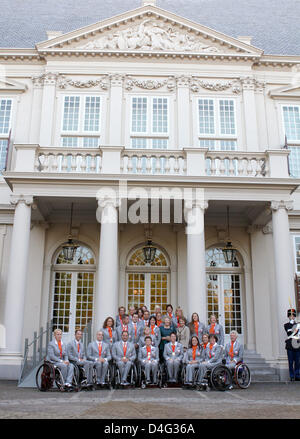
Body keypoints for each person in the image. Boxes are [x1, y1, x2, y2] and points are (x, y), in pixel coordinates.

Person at [284, 308, 300, 381]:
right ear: (288, 317)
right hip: (290, 345)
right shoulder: (286, 325)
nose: (292, 317)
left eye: (293, 316)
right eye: (290, 316)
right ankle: (291, 375)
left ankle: (297, 375)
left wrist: (296, 325)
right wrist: (294, 325)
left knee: (297, 361)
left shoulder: (298, 325)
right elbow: (289, 332)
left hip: (297, 344)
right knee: (290, 362)